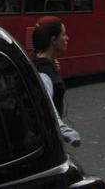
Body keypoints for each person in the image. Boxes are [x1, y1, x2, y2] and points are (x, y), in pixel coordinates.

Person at [32, 16, 81, 146]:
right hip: (46, 138)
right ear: (53, 40)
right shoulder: (44, 73)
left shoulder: (40, 61)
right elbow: (48, 107)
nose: (67, 38)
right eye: (63, 34)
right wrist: (67, 133)